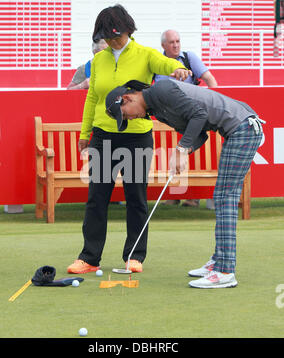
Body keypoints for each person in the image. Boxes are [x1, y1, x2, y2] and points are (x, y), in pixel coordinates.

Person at [67, 4, 191, 275]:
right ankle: (89, 257)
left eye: (116, 35)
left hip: (136, 137)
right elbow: (92, 98)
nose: (112, 41)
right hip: (102, 137)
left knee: (136, 197)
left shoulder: (145, 55)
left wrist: (178, 68)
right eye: (106, 36)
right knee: (97, 197)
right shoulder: (98, 60)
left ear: (128, 31)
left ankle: (134, 256)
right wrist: (85, 134)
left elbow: (167, 64)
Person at [105, 78, 265, 288]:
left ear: (127, 98)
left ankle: (225, 271)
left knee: (225, 197)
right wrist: (185, 151)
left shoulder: (161, 89)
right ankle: (219, 261)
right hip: (238, 130)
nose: (131, 118)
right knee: (223, 196)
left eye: (126, 114)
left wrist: (181, 150)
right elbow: (200, 132)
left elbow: (200, 115)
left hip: (243, 128)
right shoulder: (158, 110)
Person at [154, 29, 218, 209]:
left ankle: (193, 197)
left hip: (192, 117)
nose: (176, 45)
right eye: (172, 42)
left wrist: (214, 103)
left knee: (191, 154)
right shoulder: (157, 62)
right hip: (168, 121)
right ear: (163, 46)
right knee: (172, 156)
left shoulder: (189, 58)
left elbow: (210, 80)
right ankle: (174, 195)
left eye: (178, 41)